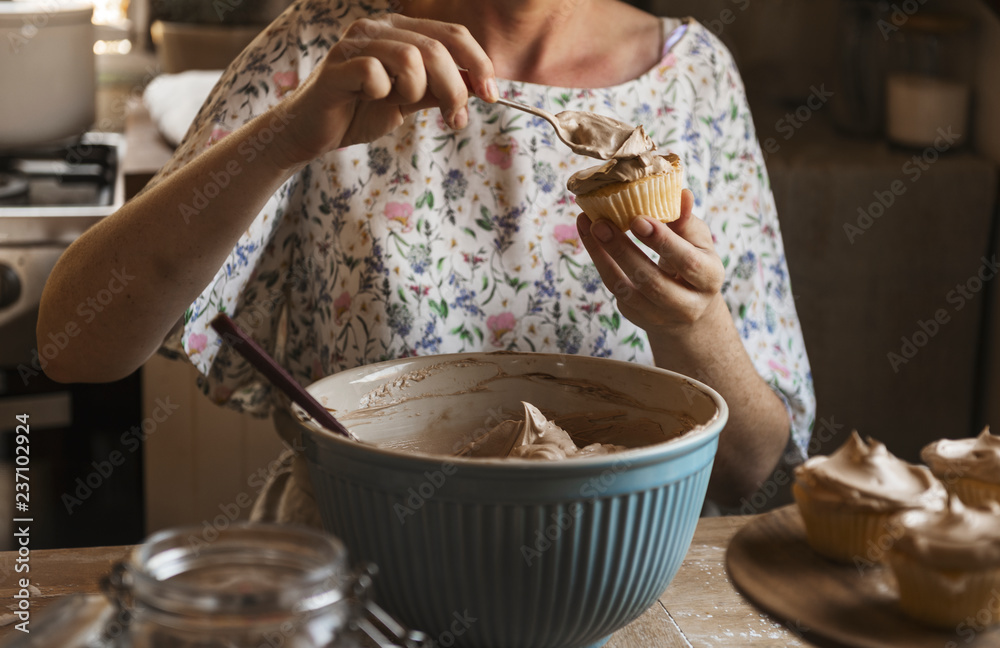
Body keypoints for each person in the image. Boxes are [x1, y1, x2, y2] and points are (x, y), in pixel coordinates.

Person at [38, 0, 814, 518]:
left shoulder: (695, 75)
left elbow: (756, 473)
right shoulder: (326, 51)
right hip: (363, 577)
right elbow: (73, 344)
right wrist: (288, 134)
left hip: (610, 582)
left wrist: (694, 324)